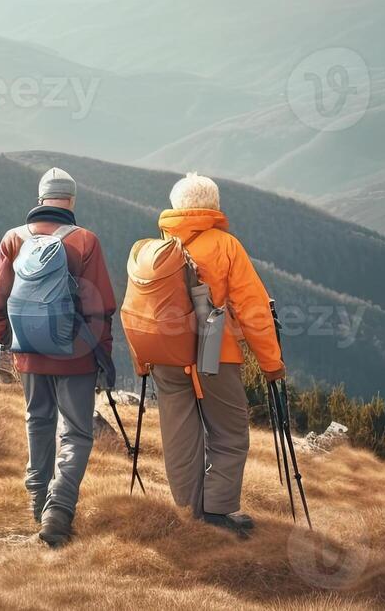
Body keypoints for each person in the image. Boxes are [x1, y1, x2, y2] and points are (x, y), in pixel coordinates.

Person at [0, 167, 116, 548]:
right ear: (71, 201)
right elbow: (102, 306)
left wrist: (5, 343)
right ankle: (58, 511)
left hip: (27, 351)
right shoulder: (85, 241)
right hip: (75, 355)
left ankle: (37, 500)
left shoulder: (13, 239)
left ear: (40, 199)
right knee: (76, 432)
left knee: (37, 422)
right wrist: (102, 355)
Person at [153, 173, 285, 536]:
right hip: (214, 358)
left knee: (180, 436)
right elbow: (253, 308)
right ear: (214, 206)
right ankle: (218, 513)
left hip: (166, 357)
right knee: (229, 433)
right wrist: (271, 363)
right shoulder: (224, 245)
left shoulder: (158, 248)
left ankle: (188, 513)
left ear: (177, 206)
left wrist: (143, 360)